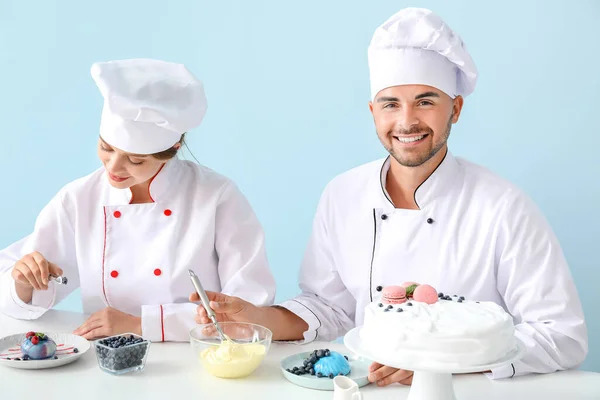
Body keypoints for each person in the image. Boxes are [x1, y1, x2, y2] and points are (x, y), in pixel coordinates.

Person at [189, 7, 588, 386]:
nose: (406, 121)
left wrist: (444, 367)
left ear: (456, 108)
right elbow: (330, 308)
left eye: (426, 101)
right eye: (390, 104)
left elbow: (563, 336)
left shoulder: (503, 207)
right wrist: (258, 318)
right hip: (364, 386)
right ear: (373, 111)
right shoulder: (342, 194)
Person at [0, 58, 276, 342]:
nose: (114, 168)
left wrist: (142, 324)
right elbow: (20, 287)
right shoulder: (79, 198)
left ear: (174, 147)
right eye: (106, 148)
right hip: (105, 357)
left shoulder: (217, 196)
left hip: (198, 358)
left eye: (135, 160)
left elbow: (250, 308)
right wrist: (23, 282)